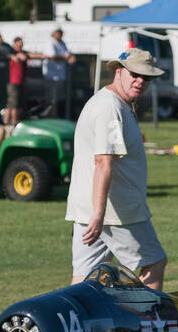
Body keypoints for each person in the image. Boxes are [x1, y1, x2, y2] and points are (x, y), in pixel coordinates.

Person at [65, 47, 167, 288]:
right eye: (135, 75)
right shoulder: (110, 108)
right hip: (115, 212)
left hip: (93, 211)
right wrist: (99, 215)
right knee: (154, 263)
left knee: (84, 281)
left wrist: (96, 215)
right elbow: (103, 162)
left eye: (147, 78)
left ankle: (70, 327)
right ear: (119, 72)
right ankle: (144, 324)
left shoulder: (116, 103)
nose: (141, 81)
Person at [42, 28, 75, 117]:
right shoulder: (50, 42)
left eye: (61, 33)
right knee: (51, 100)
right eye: (58, 33)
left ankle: (56, 117)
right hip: (52, 77)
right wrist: (66, 57)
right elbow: (52, 56)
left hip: (61, 76)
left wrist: (70, 56)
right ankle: (50, 118)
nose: (60, 35)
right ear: (54, 34)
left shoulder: (62, 43)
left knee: (59, 99)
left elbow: (68, 54)